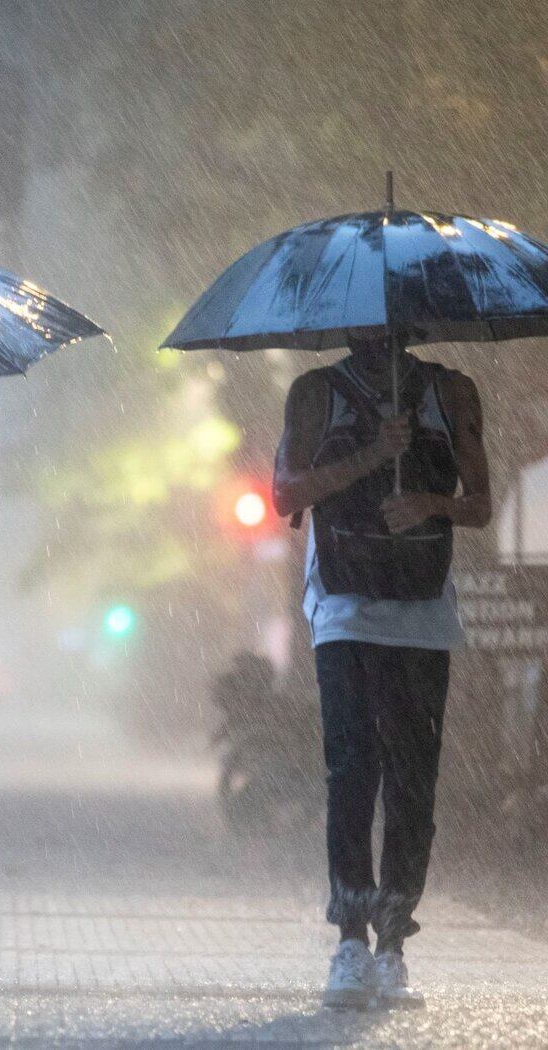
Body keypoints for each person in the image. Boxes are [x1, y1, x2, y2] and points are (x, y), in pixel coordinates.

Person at [272, 332, 490, 1009]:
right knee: (351, 768)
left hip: (423, 613)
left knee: (413, 778)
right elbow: (285, 494)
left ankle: (393, 943)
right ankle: (349, 939)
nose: (378, 335)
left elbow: (481, 505)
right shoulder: (316, 393)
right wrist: (372, 457)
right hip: (344, 608)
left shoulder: (450, 392)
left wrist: (429, 503)